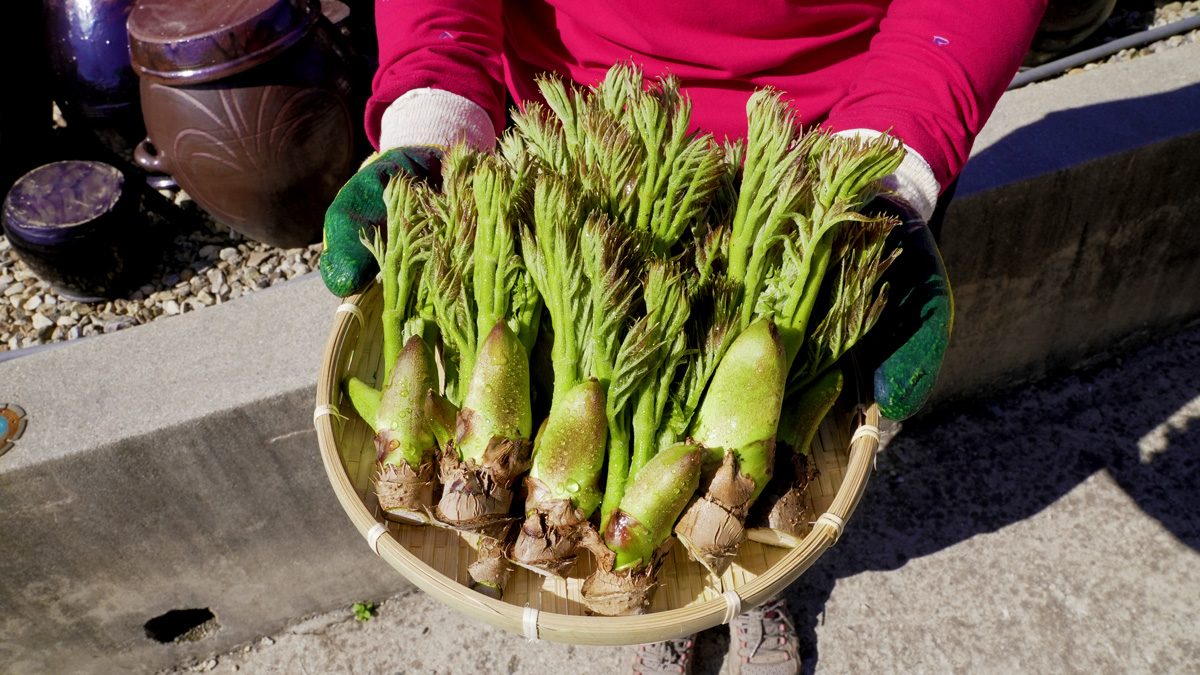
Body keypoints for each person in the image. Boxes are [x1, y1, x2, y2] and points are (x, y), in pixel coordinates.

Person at [322, 1, 1049, 673]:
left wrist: (892, 170)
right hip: (577, 137)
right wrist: (436, 107)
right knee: (608, 366)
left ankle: (746, 579)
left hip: (830, 150)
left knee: (794, 389)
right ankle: (652, 572)